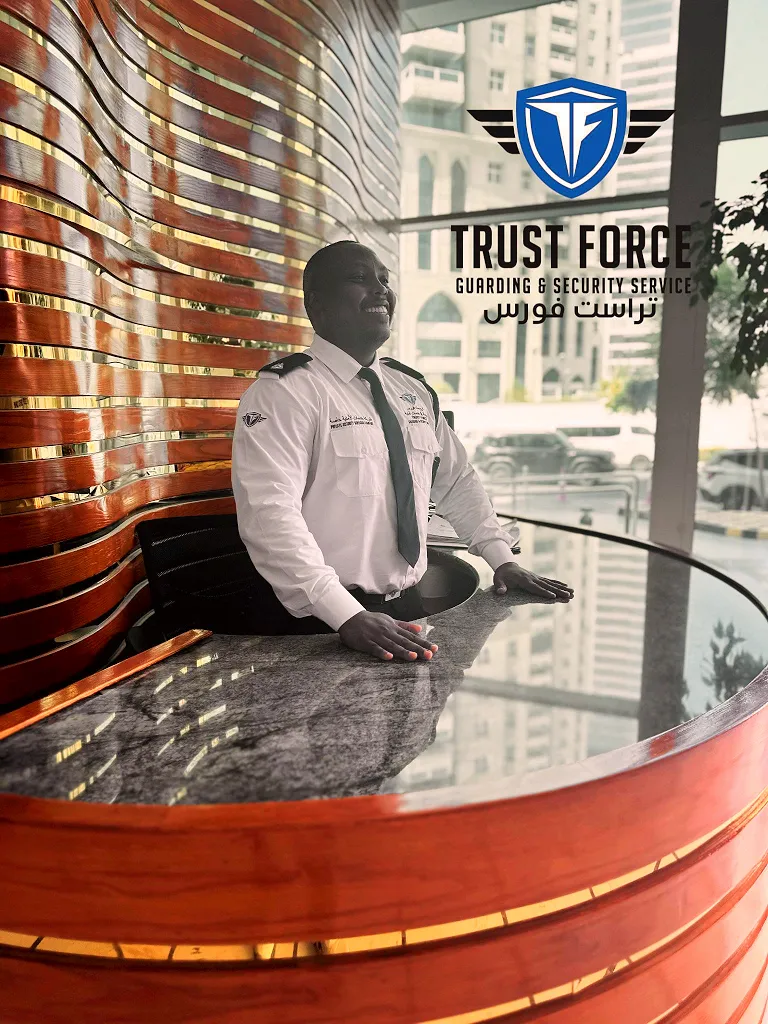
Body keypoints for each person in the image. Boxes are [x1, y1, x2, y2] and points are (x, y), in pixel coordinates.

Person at [232, 240, 573, 662]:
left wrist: (501, 558)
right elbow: (268, 514)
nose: (380, 290)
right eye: (360, 279)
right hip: (322, 622)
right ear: (315, 304)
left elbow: (456, 480)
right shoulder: (286, 392)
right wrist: (345, 614)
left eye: (384, 280)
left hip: (409, 606)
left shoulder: (409, 388)